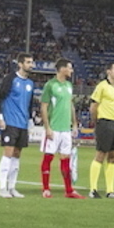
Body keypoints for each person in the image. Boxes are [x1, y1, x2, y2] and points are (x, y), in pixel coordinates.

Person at [0, 52, 36, 198]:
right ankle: (2, 188)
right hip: (10, 122)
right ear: (20, 64)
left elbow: (30, 104)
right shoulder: (10, 79)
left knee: (17, 155)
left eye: (32, 62)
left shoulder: (30, 83)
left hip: (23, 124)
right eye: (28, 62)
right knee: (8, 153)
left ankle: (12, 187)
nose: (31, 65)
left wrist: (30, 120)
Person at [38, 58, 81, 198]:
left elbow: (71, 105)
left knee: (65, 159)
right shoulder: (50, 85)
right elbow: (43, 107)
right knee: (48, 158)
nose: (72, 70)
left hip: (65, 129)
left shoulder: (69, 85)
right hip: (54, 128)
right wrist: (47, 127)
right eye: (70, 68)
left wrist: (74, 123)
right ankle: (45, 189)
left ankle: (69, 190)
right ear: (62, 69)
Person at [88, 61, 114, 198]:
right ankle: (93, 189)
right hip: (104, 122)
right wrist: (96, 122)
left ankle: (110, 190)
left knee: (113, 156)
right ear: (108, 71)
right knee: (100, 155)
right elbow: (93, 106)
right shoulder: (102, 86)